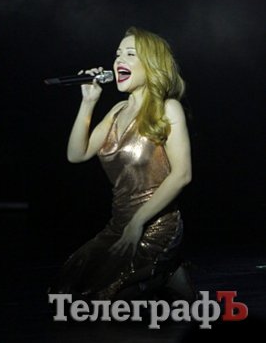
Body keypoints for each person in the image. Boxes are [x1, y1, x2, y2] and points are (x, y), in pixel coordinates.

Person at [47, 25, 195, 303]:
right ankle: (168, 276)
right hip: (119, 224)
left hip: (155, 222)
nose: (118, 61)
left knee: (111, 296)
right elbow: (77, 154)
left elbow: (182, 174)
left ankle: (166, 273)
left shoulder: (167, 108)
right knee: (67, 289)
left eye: (130, 54)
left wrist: (138, 223)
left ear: (150, 63)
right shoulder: (117, 111)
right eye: (117, 54)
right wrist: (88, 102)